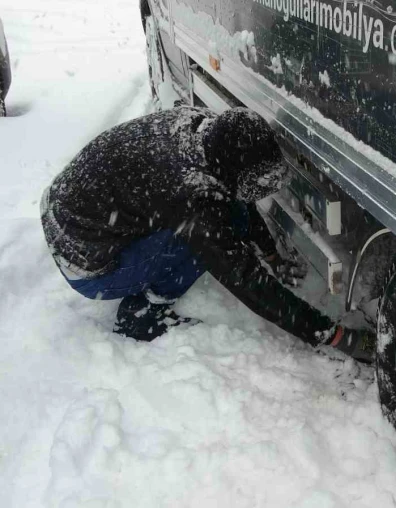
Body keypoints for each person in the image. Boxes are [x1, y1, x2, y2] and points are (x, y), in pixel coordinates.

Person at [40, 106, 372, 361]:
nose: (260, 192)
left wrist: (271, 254)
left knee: (225, 216)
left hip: (70, 210)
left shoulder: (207, 129)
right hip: (84, 262)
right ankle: (141, 315)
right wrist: (334, 336)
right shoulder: (192, 196)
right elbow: (247, 281)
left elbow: (236, 194)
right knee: (203, 240)